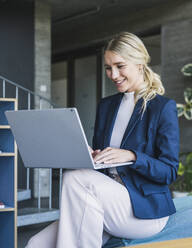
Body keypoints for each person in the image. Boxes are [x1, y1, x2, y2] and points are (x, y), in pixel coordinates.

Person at [26, 32, 180, 248]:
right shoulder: (106, 106)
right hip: (102, 199)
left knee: (76, 177)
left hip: (143, 209)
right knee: (36, 243)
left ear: (139, 64)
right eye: (108, 68)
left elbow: (169, 171)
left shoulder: (161, 108)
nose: (113, 74)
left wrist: (133, 156)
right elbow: (99, 165)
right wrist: (89, 156)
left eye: (120, 66)